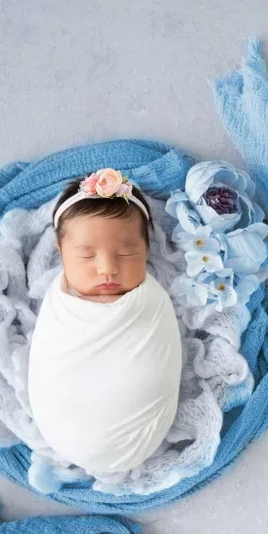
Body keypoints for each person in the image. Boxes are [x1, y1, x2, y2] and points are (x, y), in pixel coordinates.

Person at [26, 168, 183, 477]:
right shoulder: (60, 307)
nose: (108, 269)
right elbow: (50, 360)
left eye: (127, 252)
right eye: (86, 256)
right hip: (65, 430)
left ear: (147, 250)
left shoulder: (151, 303)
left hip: (140, 435)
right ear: (61, 254)